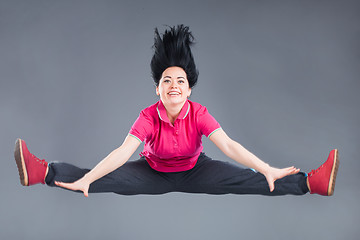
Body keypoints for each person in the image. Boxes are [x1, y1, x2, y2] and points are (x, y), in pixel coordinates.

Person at [14, 25, 339, 197]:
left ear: (189, 89)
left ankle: (311, 183)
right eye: (166, 80)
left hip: (197, 170)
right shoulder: (147, 116)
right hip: (152, 173)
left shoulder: (198, 113)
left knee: (253, 179)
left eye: (180, 80)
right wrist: (89, 181)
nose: (173, 85)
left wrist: (266, 167)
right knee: (100, 178)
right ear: (158, 88)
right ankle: (42, 173)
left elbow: (228, 146)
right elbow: (122, 152)